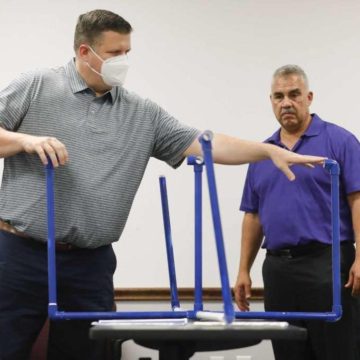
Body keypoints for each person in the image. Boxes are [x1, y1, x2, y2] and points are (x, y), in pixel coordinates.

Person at [0, 10, 324, 360]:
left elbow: (204, 142)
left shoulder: (141, 112)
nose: (123, 61)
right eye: (114, 54)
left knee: (86, 352)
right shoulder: (37, 85)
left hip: (89, 263)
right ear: (84, 52)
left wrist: (267, 151)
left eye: (127, 52)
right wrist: (24, 141)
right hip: (20, 255)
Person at [233, 64, 360, 360]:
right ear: (271, 101)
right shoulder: (262, 153)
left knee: (338, 351)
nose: (286, 102)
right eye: (278, 96)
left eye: (294, 94)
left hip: (329, 265)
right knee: (288, 353)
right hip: (279, 270)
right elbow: (253, 216)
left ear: (309, 97)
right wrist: (243, 270)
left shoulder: (340, 141)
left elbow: (358, 200)